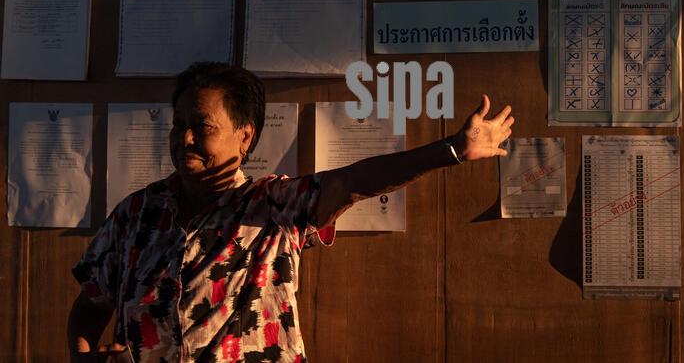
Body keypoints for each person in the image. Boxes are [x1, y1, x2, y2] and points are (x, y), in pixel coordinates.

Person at [68, 62, 513, 362]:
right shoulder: (134, 214)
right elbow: (90, 308)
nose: (185, 139)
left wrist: (451, 149)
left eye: (201, 127)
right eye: (179, 124)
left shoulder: (273, 206)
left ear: (245, 137)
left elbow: (355, 181)